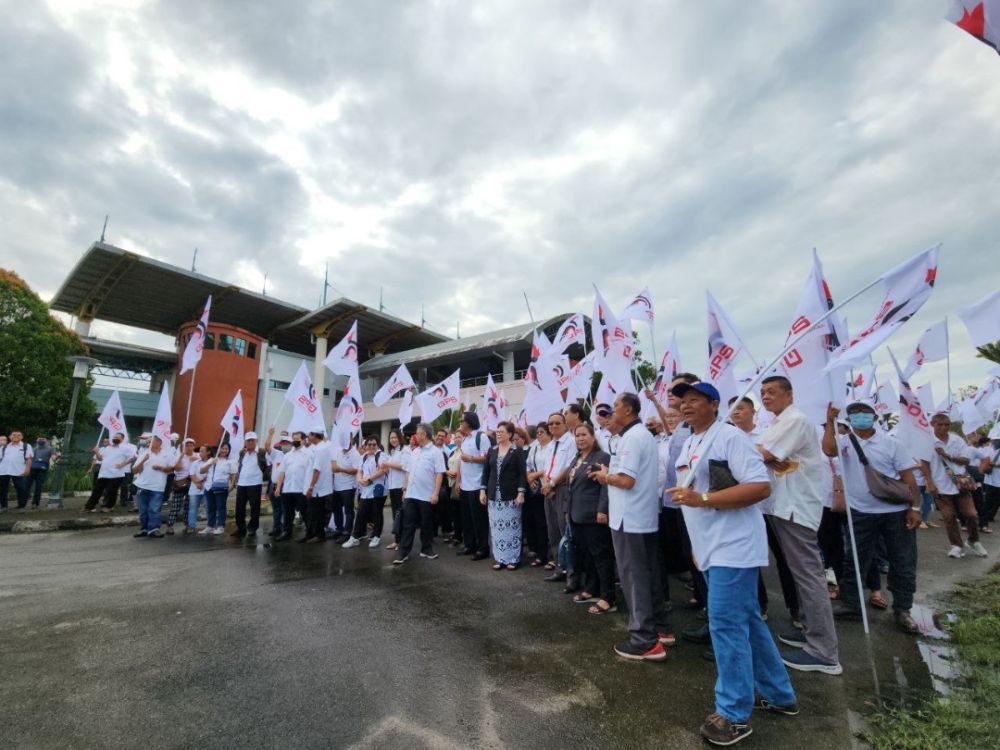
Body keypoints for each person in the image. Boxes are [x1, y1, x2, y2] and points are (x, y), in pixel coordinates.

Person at [667, 381, 797, 747]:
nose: (686, 406)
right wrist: (697, 543)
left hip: (735, 548)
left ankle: (735, 715)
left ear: (714, 404)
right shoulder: (692, 441)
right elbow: (690, 500)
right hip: (710, 549)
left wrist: (703, 497)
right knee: (748, 623)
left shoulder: (730, 437)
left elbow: (759, 487)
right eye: (683, 401)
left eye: (695, 400)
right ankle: (780, 694)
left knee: (725, 625)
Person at [756, 375, 842, 675]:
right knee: (800, 573)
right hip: (782, 505)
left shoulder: (795, 420)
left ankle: (824, 651)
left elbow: (764, 453)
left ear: (789, 394)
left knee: (808, 575)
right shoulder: (777, 422)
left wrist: (765, 456)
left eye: (772, 392)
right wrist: (766, 457)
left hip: (796, 506)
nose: (766, 397)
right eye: (763, 392)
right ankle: (810, 633)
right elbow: (765, 455)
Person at [824, 401, 922, 633]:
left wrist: (915, 508)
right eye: (854, 413)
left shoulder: (891, 444)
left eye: (864, 412)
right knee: (855, 561)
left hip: (895, 513)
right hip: (861, 513)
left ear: (874, 416)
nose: (860, 416)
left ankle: (903, 609)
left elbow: (908, 478)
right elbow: (828, 449)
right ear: (848, 419)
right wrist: (830, 421)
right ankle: (852, 605)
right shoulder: (845, 444)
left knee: (903, 561)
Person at [591, 392, 672, 662]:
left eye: (615, 407)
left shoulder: (633, 437)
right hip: (641, 516)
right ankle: (660, 628)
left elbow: (626, 480)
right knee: (648, 574)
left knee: (634, 578)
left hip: (629, 518)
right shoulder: (639, 436)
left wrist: (605, 476)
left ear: (627, 409)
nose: (612, 412)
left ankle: (644, 640)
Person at [921, 413, 987, 558]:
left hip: (961, 483)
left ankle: (974, 540)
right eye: (940, 425)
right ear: (933, 425)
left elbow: (966, 460)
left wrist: (948, 456)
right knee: (949, 516)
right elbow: (924, 464)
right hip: (940, 485)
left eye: (947, 425)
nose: (943, 428)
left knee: (971, 514)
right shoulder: (926, 441)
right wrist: (930, 483)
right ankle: (956, 545)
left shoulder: (957, 440)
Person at [566, 423, 615, 614]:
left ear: (593, 437)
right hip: (576, 514)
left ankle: (608, 596)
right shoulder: (577, 457)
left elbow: (605, 486)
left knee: (601, 556)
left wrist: (602, 510)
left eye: (584, 435)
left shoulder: (601, 457)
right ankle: (591, 589)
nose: (580, 438)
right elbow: (571, 487)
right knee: (586, 555)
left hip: (594, 515)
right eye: (577, 435)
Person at [394, 423, 446, 565]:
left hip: (426, 495)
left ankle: (426, 549)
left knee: (426, 523)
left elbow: (439, 474)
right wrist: (404, 490)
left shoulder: (436, 452)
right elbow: (408, 472)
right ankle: (403, 552)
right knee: (408, 524)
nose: (416, 436)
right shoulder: (415, 451)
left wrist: (435, 493)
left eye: (418, 433)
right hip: (411, 494)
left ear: (425, 435)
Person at [479, 421, 527, 570]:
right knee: (496, 528)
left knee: (512, 527)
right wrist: (482, 490)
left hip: (511, 495)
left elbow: (521, 474)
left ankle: (513, 558)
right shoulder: (492, 450)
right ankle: (500, 558)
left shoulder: (517, 451)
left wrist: (521, 493)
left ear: (510, 434)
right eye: (497, 432)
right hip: (494, 496)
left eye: (502, 431)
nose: (498, 434)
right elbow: (486, 472)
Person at [541, 412, 576, 583]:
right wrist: (547, 484)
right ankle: (559, 567)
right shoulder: (550, 445)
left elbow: (568, 467)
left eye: (557, 423)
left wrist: (552, 484)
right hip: (549, 491)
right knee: (553, 532)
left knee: (565, 533)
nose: (553, 426)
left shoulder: (571, 441)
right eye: (551, 424)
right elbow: (547, 468)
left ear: (565, 424)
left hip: (562, 489)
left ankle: (572, 573)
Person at [344, 436, 389, 547]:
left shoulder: (382, 456)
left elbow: (383, 470)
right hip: (365, 490)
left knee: (377, 513)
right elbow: (359, 470)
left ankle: (376, 536)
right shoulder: (364, 456)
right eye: (369, 444)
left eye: (374, 444)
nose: (371, 446)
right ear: (365, 445)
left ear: (377, 445)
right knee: (361, 512)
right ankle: (355, 536)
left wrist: (369, 479)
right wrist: (360, 479)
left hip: (378, 490)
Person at [457, 412, 491, 560]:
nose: (460, 422)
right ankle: (469, 545)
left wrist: (470, 458)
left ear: (469, 422)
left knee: (479, 519)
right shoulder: (465, 439)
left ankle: (482, 548)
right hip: (465, 485)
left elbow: (487, 458)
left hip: (477, 484)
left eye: (462, 420)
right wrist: (458, 481)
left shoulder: (481, 437)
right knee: (466, 518)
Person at [132, 435, 176, 539]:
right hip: (142, 486)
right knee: (143, 510)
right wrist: (143, 461)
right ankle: (144, 529)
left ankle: (154, 529)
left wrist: (161, 468)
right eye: (148, 441)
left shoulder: (167, 454)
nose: (148, 443)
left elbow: (171, 470)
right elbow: (134, 470)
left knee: (154, 509)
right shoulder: (144, 453)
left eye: (151, 441)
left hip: (157, 486)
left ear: (159, 442)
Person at [273, 432, 311, 541]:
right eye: (293, 438)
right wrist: (278, 487)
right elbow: (282, 472)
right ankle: (287, 532)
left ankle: (309, 533)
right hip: (288, 489)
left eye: (297, 439)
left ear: (303, 440)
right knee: (288, 513)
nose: (295, 441)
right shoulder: (288, 455)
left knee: (305, 512)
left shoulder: (309, 454)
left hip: (302, 489)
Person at [84, 432, 132, 512]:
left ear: (122, 439)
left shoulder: (125, 449)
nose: (115, 438)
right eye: (115, 437)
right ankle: (89, 507)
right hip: (103, 474)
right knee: (97, 491)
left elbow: (132, 458)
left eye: (118, 437)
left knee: (112, 492)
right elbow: (100, 459)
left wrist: (122, 465)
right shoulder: (107, 448)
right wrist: (96, 452)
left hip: (116, 474)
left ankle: (109, 507)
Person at [233, 431, 269, 538]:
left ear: (256, 441)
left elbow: (267, 465)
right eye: (248, 440)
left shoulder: (261, 452)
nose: (250, 442)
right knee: (239, 508)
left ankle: (252, 528)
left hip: (255, 483)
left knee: (255, 508)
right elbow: (240, 466)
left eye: (252, 440)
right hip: (242, 483)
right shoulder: (242, 452)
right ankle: (241, 528)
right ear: (245, 441)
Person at [524, 423, 551, 567]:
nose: (539, 435)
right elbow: (527, 465)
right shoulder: (534, 448)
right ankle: (541, 555)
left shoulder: (552, 447)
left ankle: (552, 557)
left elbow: (549, 466)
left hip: (548, 487)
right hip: (535, 489)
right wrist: (529, 477)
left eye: (542, 432)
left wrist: (534, 475)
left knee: (549, 524)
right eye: (538, 432)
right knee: (538, 523)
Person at [199, 443, 235, 536]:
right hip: (209, 487)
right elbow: (201, 471)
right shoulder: (212, 459)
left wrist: (232, 485)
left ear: (229, 450)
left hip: (221, 487)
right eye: (222, 448)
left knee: (221, 507)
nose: (224, 450)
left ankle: (220, 526)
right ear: (218, 449)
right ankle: (210, 526)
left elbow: (234, 474)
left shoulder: (230, 461)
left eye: (226, 449)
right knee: (210, 507)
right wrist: (210, 463)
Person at [330, 440, 361, 543]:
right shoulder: (338, 450)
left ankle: (347, 532)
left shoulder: (355, 453)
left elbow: (356, 470)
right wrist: (334, 466)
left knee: (348, 511)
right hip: (336, 486)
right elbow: (333, 463)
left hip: (348, 486)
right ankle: (339, 529)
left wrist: (341, 469)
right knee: (336, 509)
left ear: (351, 440)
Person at [165, 438, 196, 534]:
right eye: (187, 445)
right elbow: (176, 468)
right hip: (180, 483)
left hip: (192, 483)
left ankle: (187, 525)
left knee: (188, 505)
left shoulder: (196, 456)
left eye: (191, 445)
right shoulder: (179, 456)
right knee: (176, 505)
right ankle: (170, 525)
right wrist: (180, 457)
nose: (189, 447)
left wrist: (196, 459)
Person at [384, 429, 408, 550]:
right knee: (395, 515)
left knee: (401, 515)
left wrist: (388, 465)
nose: (393, 439)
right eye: (391, 438)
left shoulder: (405, 450)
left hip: (400, 487)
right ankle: (397, 541)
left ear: (400, 437)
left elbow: (405, 466)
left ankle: (402, 542)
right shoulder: (392, 451)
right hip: (392, 487)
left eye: (395, 437)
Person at [0, 431, 33, 512]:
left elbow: (29, 458)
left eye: (19, 435)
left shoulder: (26, 446)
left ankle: (21, 507)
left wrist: (27, 469)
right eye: (13, 435)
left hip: (18, 471)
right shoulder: (4, 447)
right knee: (2, 490)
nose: (16, 436)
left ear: (22, 437)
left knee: (21, 489)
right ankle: (4, 507)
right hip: (3, 471)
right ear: (10, 436)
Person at [26, 436, 59, 508]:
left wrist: (57, 456)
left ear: (46, 441)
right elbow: (29, 459)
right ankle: (22, 503)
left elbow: (53, 458)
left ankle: (35, 503)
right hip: (32, 468)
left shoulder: (50, 448)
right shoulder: (34, 449)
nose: (41, 440)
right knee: (26, 485)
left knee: (38, 486)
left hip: (42, 469)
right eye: (39, 439)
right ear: (37, 440)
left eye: (43, 439)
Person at [186, 445, 208, 532]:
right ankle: (191, 525)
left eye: (202, 451)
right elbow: (191, 474)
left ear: (208, 452)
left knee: (208, 507)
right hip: (195, 489)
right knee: (193, 508)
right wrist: (197, 482)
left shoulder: (211, 462)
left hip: (206, 488)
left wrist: (201, 482)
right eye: (200, 451)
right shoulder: (195, 463)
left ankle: (210, 525)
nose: (200, 453)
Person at [980, 437, 1000, 534]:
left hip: (998, 481)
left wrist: (995, 465)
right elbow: (982, 460)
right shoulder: (988, 450)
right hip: (989, 479)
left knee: (996, 500)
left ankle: (990, 515)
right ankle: (985, 517)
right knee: (987, 499)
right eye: (995, 440)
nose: (996, 442)